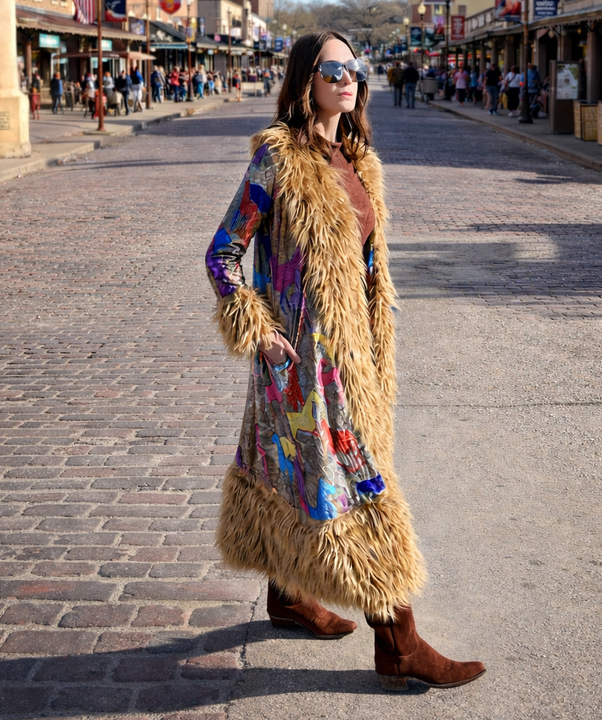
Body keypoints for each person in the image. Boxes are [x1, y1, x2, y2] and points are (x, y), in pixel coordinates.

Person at [205, 30, 486, 692]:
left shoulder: (355, 159)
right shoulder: (278, 161)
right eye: (335, 69)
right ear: (306, 80)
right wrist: (259, 329)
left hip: (352, 360)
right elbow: (222, 253)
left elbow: (362, 270)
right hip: (304, 364)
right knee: (363, 489)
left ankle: (286, 598)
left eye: (355, 69)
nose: (350, 78)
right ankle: (400, 643)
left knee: (288, 471)